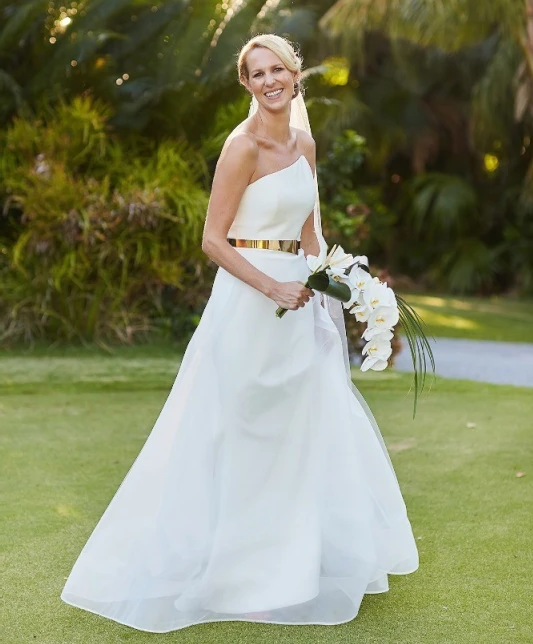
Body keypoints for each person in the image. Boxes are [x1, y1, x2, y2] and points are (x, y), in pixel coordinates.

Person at [61, 34, 419, 633]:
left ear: (295, 74)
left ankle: (295, 567)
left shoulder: (305, 142)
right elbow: (212, 239)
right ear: (247, 85)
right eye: (256, 73)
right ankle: (239, 575)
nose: (269, 80)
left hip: (299, 301)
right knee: (245, 432)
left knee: (297, 431)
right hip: (250, 303)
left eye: (277, 68)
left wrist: (344, 289)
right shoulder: (242, 146)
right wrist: (273, 288)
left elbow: (308, 236)